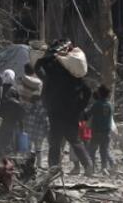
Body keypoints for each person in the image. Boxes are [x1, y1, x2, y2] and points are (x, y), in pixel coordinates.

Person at [35, 48, 94, 176]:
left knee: (55, 142)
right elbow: (88, 91)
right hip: (72, 114)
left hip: (56, 114)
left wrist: (43, 58)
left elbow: (38, 69)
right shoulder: (75, 77)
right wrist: (80, 107)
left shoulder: (52, 75)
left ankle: (54, 168)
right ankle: (88, 166)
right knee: (75, 140)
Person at [85, 85, 114, 174]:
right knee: (104, 151)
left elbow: (88, 115)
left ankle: (92, 168)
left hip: (97, 131)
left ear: (100, 94)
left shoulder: (96, 105)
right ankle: (104, 168)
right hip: (107, 132)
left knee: (91, 150)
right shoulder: (110, 105)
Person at [23, 92, 50, 167]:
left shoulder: (27, 107)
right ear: (38, 101)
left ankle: (28, 164)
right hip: (39, 133)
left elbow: (24, 119)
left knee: (28, 149)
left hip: (28, 131)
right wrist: (47, 131)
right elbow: (45, 122)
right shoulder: (42, 109)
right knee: (38, 149)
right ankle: (39, 164)